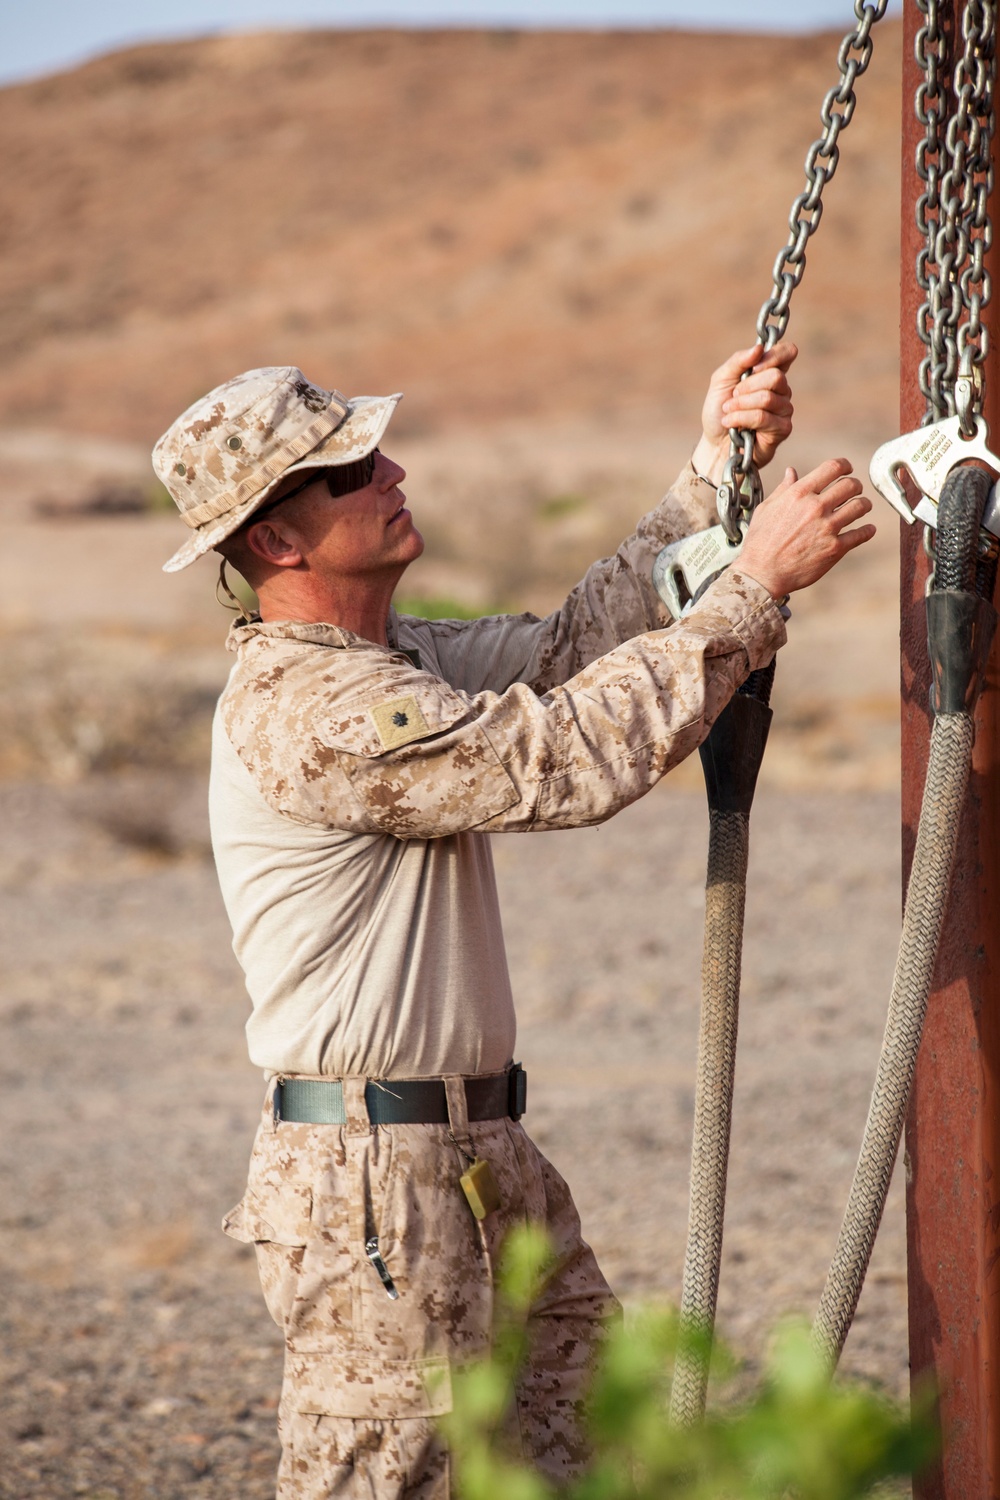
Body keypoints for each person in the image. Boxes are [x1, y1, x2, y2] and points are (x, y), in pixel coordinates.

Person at [155, 345, 873, 1499]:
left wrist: (712, 469)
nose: (392, 469)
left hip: (478, 1155)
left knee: (594, 1462)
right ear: (275, 543)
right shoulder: (312, 707)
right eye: (350, 472)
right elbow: (561, 761)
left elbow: (571, 651)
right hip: (374, 1184)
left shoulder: (396, 659)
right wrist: (755, 584)